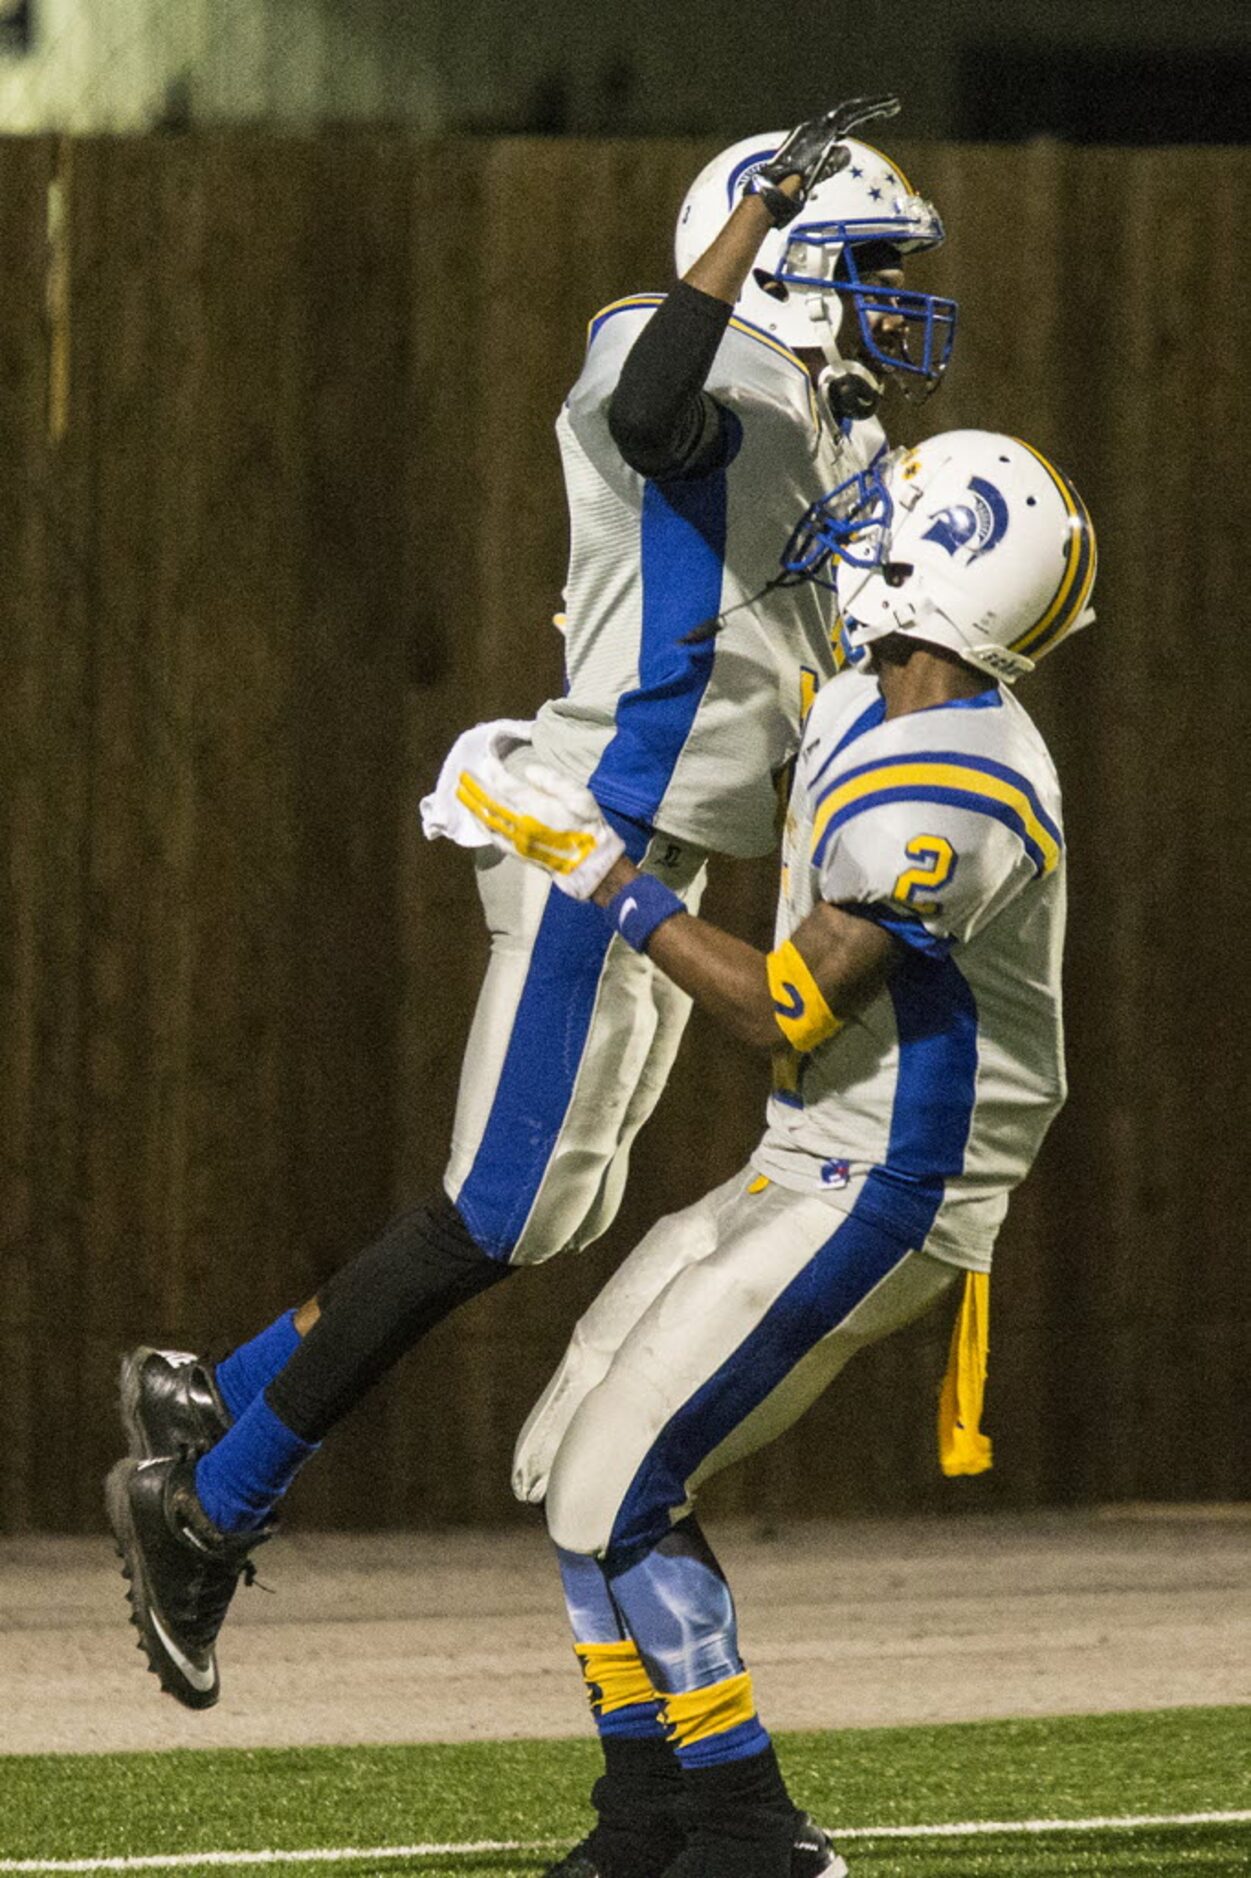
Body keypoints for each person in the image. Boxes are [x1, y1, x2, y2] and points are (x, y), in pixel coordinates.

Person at [104, 100, 959, 1722]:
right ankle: (211, 1502)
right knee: (491, 1214)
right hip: (597, 832)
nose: (895, 296)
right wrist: (754, 220)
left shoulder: (823, 416)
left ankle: (215, 1391)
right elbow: (651, 407)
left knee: (546, 1216)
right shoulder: (699, 358)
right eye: (863, 264)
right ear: (772, 258)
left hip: (668, 841)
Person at [454, 429, 1097, 1878]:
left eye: (889, 520)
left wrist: (599, 874)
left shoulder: (963, 782)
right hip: (808, 1155)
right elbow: (752, 709)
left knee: (615, 1480)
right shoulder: (882, 693)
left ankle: (753, 1831)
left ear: (947, 567)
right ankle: (646, 1815)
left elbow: (775, 1004)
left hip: (895, 1183)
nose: (855, 534)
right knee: (561, 1448)